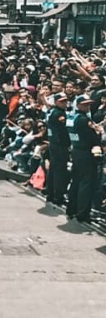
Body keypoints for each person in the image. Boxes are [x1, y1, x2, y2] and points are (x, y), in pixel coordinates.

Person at [66, 94, 101, 222]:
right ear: (79, 105)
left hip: (76, 151)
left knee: (76, 181)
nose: (88, 106)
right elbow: (93, 137)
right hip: (85, 152)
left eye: (89, 104)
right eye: (85, 104)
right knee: (85, 183)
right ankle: (82, 213)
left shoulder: (71, 117)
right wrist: (98, 131)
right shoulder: (83, 119)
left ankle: (71, 209)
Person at [45, 92, 71, 206]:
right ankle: (58, 196)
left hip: (54, 144)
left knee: (53, 169)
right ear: (56, 102)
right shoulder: (59, 114)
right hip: (60, 145)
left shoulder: (53, 112)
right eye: (62, 101)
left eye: (66, 101)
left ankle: (50, 193)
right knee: (60, 171)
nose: (65, 103)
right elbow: (64, 131)